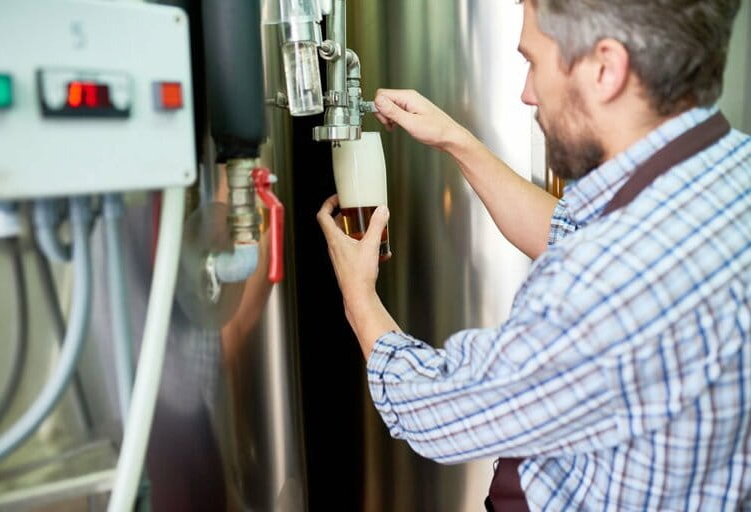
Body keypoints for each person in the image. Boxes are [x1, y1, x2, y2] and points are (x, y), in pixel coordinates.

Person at [317, 0, 750, 510]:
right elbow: (571, 231)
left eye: (534, 61)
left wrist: (358, 295)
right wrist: (457, 141)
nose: (526, 93)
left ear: (605, 69)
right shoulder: (729, 170)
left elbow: (438, 409)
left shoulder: (602, 287)